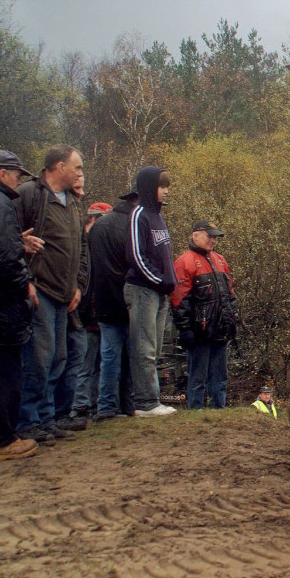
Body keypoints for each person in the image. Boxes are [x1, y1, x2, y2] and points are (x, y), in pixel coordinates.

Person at [14, 145, 88, 444]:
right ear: (59, 167)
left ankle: (47, 419)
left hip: (64, 293)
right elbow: (10, 240)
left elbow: (79, 249)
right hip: (40, 290)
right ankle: (27, 421)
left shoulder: (71, 201)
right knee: (37, 359)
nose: (81, 174)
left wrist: (78, 285)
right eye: (78, 167)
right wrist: (26, 280)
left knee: (57, 358)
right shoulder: (29, 195)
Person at [0, 150, 41, 462]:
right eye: (17, 174)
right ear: (2, 173)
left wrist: (15, 243)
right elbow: (4, 258)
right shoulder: (1, 204)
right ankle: (1, 439)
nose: (20, 180)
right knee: (6, 372)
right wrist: (26, 284)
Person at [125, 167, 177, 417]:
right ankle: (145, 403)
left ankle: (151, 399)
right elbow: (136, 256)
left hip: (160, 292)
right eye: (161, 185)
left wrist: (170, 282)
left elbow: (164, 255)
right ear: (148, 187)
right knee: (143, 346)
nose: (166, 190)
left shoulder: (159, 217)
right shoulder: (139, 215)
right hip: (143, 290)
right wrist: (159, 280)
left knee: (155, 348)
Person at [171, 220, 238, 409]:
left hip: (221, 329)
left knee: (220, 378)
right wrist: (185, 330)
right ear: (196, 235)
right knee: (197, 378)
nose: (213, 240)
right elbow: (179, 299)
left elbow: (230, 294)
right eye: (209, 236)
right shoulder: (184, 261)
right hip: (199, 331)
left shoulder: (220, 260)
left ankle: (219, 413)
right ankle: (196, 414)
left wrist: (232, 320)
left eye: (214, 237)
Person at [63, 202, 112, 428]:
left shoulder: (97, 246)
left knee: (98, 364)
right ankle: (78, 406)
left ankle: (92, 405)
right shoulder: (81, 246)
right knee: (84, 364)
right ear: (92, 219)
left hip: (99, 315)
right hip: (83, 316)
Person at [91, 191, 138, 420]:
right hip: (128, 301)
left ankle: (106, 407)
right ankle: (127, 406)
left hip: (103, 301)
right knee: (131, 357)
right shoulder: (133, 226)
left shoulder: (100, 226)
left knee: (109, 358)